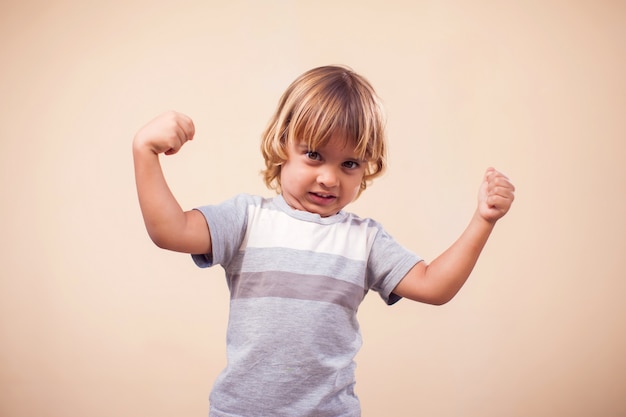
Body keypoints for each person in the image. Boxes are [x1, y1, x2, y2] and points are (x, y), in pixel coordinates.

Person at [132, 65, 515, 417]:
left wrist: (483, 220)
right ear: (283, 145)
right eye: (314, 155)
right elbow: (171, 231)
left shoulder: (365, 240)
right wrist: (145, 152)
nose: (330, 179)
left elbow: (435, 286)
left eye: (349, 164)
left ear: (368, 166)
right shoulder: (247, 219)